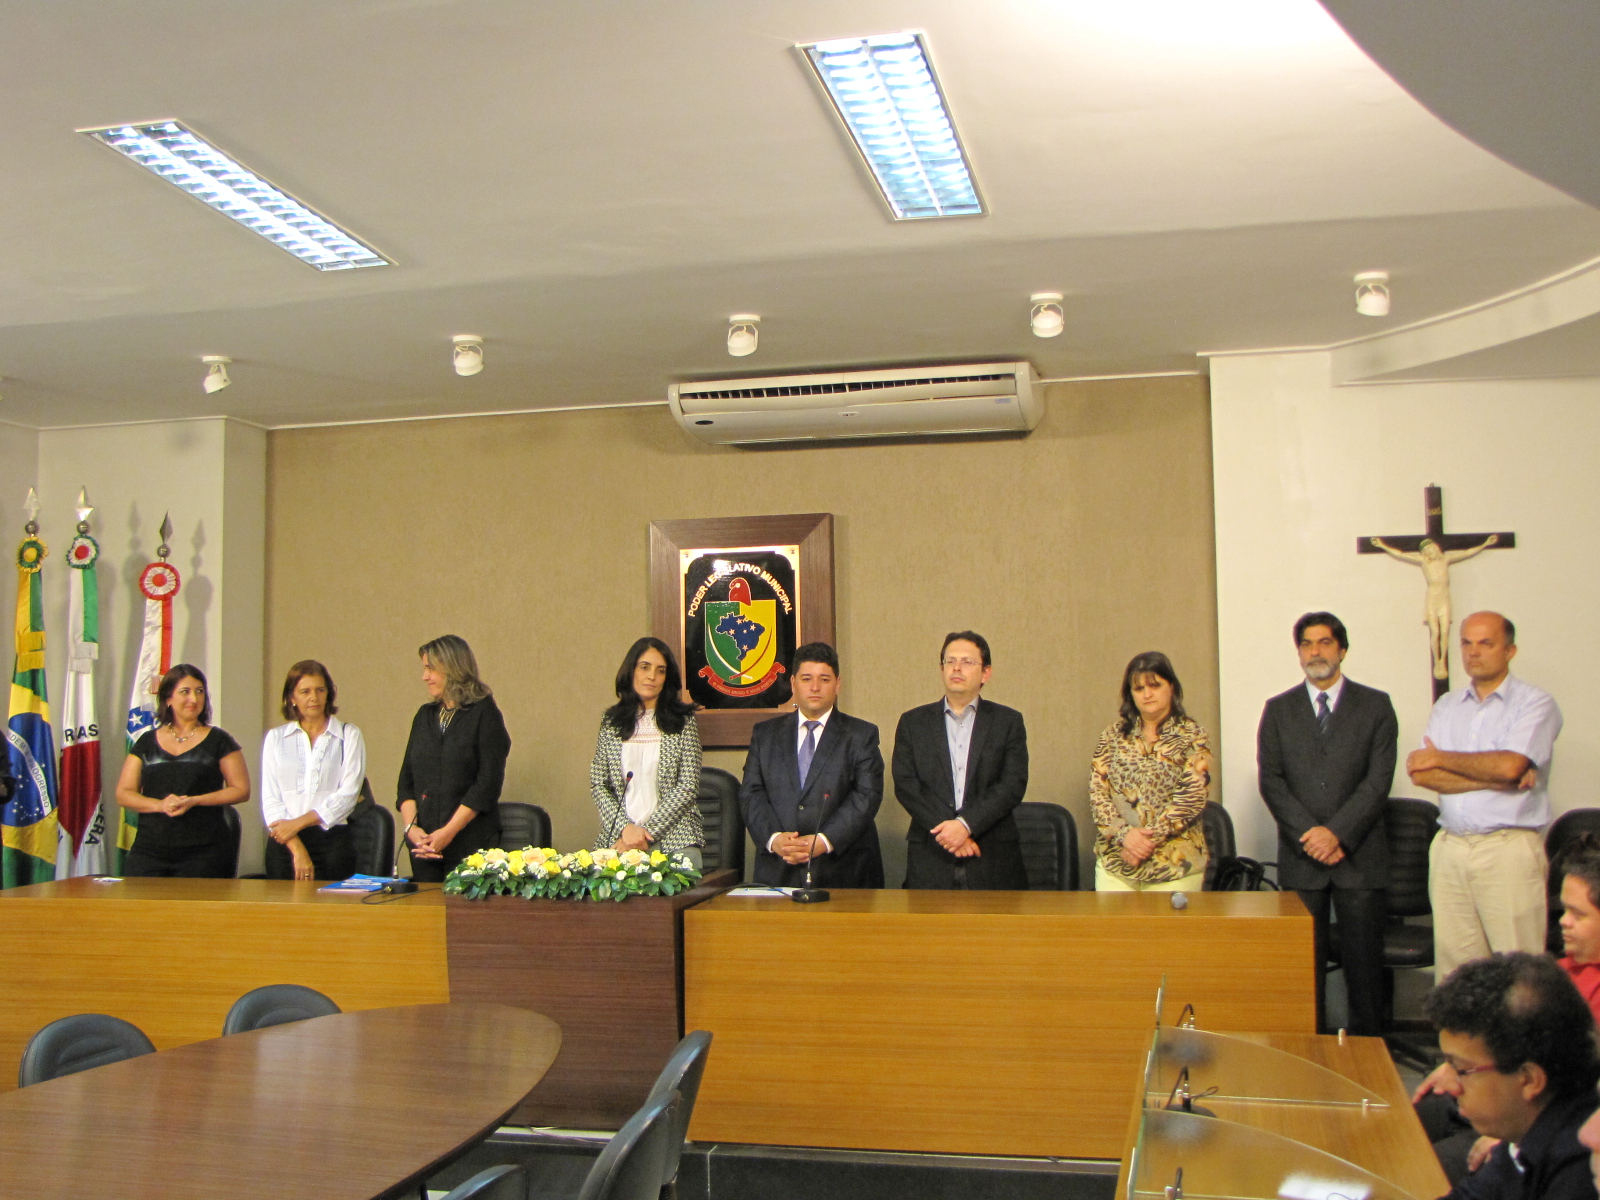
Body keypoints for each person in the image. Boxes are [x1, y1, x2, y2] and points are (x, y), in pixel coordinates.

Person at [1257, 612, 1398, 1036]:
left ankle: (1370, 1059)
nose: (1314, 651)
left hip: (1359, 857)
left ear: (1342, 649)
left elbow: (1378, 781)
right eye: (1306, 643)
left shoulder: (1375, 706)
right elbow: (1272, 781)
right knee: (1303, 966)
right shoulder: (1278, 710)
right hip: (1304, 861)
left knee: (1364, 968)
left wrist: (1337, 833)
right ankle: (1309, 1054)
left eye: (1323, 642)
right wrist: (1312, 837)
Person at [1408, 612, 1563, 979]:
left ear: (1510, 650)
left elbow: (1510, 766)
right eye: (1466, 642)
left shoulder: (1535, 703)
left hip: (1507, 849)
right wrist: (1495, 778)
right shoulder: (1447, 706)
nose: (1473, 652)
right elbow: (1422, 773)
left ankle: (1522, 1041)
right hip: (1451, 849)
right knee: (1456, 979)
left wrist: (1444, 758)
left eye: (1485, 643)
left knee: (1520, 977)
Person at [1413, 953, 1599, 1200]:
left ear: (1529, 1080)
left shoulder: (1578, 1173)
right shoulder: (1524, 1128)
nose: (1453, 1087)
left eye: (1462, 1070)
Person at [739, 642, 884, 888]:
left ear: (837, 684)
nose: (815, 687)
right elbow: (751, 793)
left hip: (844, 870)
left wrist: (825, 841)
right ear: (793, 683)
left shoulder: (861, 734)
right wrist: (774, 839)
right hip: (779, 867)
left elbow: (867, 795)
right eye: (807, 679)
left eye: (824, 679)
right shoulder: (765, 734)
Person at [893, 631, 1028, 890]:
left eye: (967, 662)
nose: (956, 667)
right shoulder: (913, 723)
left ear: (985, 673)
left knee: (995, 930)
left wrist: (966, 825)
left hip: (990, 854)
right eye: (949, 660)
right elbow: (906, 785)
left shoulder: (1007, 722)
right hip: (931, 855)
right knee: (929, 930)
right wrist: (950, 832)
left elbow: (1012, 785)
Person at [1089, 651, 1211, 893]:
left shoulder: (1192, 735)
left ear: (1171, 687)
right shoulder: (1113, 735)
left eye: (1155, 686)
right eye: (1138, 688)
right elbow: (1097, 793)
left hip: (1174, 867)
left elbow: (1191, 798)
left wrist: (1145, 841)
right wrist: (1125, 835)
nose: (1147, 694)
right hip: (1117, 863)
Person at [115, 664, 251, 877]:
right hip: (150, 850)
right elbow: (124, 793)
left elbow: (241, 790)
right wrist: (160, 805)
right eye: (185, 692)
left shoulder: (219, 740)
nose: (194, 699)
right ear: (168, 699)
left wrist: (195, 800)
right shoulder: (147, 742)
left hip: (204, 851)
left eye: (199, 692)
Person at [397, 635, 511, 882]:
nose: (425, 677)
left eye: (431, 668)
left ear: (453, 668)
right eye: (424, 668)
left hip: (470, 846)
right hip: (424, 847)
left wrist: (447, 833)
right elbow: (406, 782)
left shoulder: (484, 714)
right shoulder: (424, 717)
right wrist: (411, 829)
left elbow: (487, 785)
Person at [590, 637, 704, 867]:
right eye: (645, 667)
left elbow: (688, 786)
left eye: (660, 671)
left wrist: (645, 833)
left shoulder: (683, 722)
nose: (652, 676)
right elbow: (599, 783)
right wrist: (626, 829)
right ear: (631, 671)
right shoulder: (611, 722)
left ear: (666, 679)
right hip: (620, 838)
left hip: (674, 839)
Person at [260, 660, 366, 882]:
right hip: (285, 843)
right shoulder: (276, 738)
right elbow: (271, 798)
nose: (313, 698)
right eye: (305, 691)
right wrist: (296, 845)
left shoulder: (348, 735)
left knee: (331, 914)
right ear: (292, 698)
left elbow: (348, 796)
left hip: (333, 842)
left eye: (320, 690)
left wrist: (298, 823)